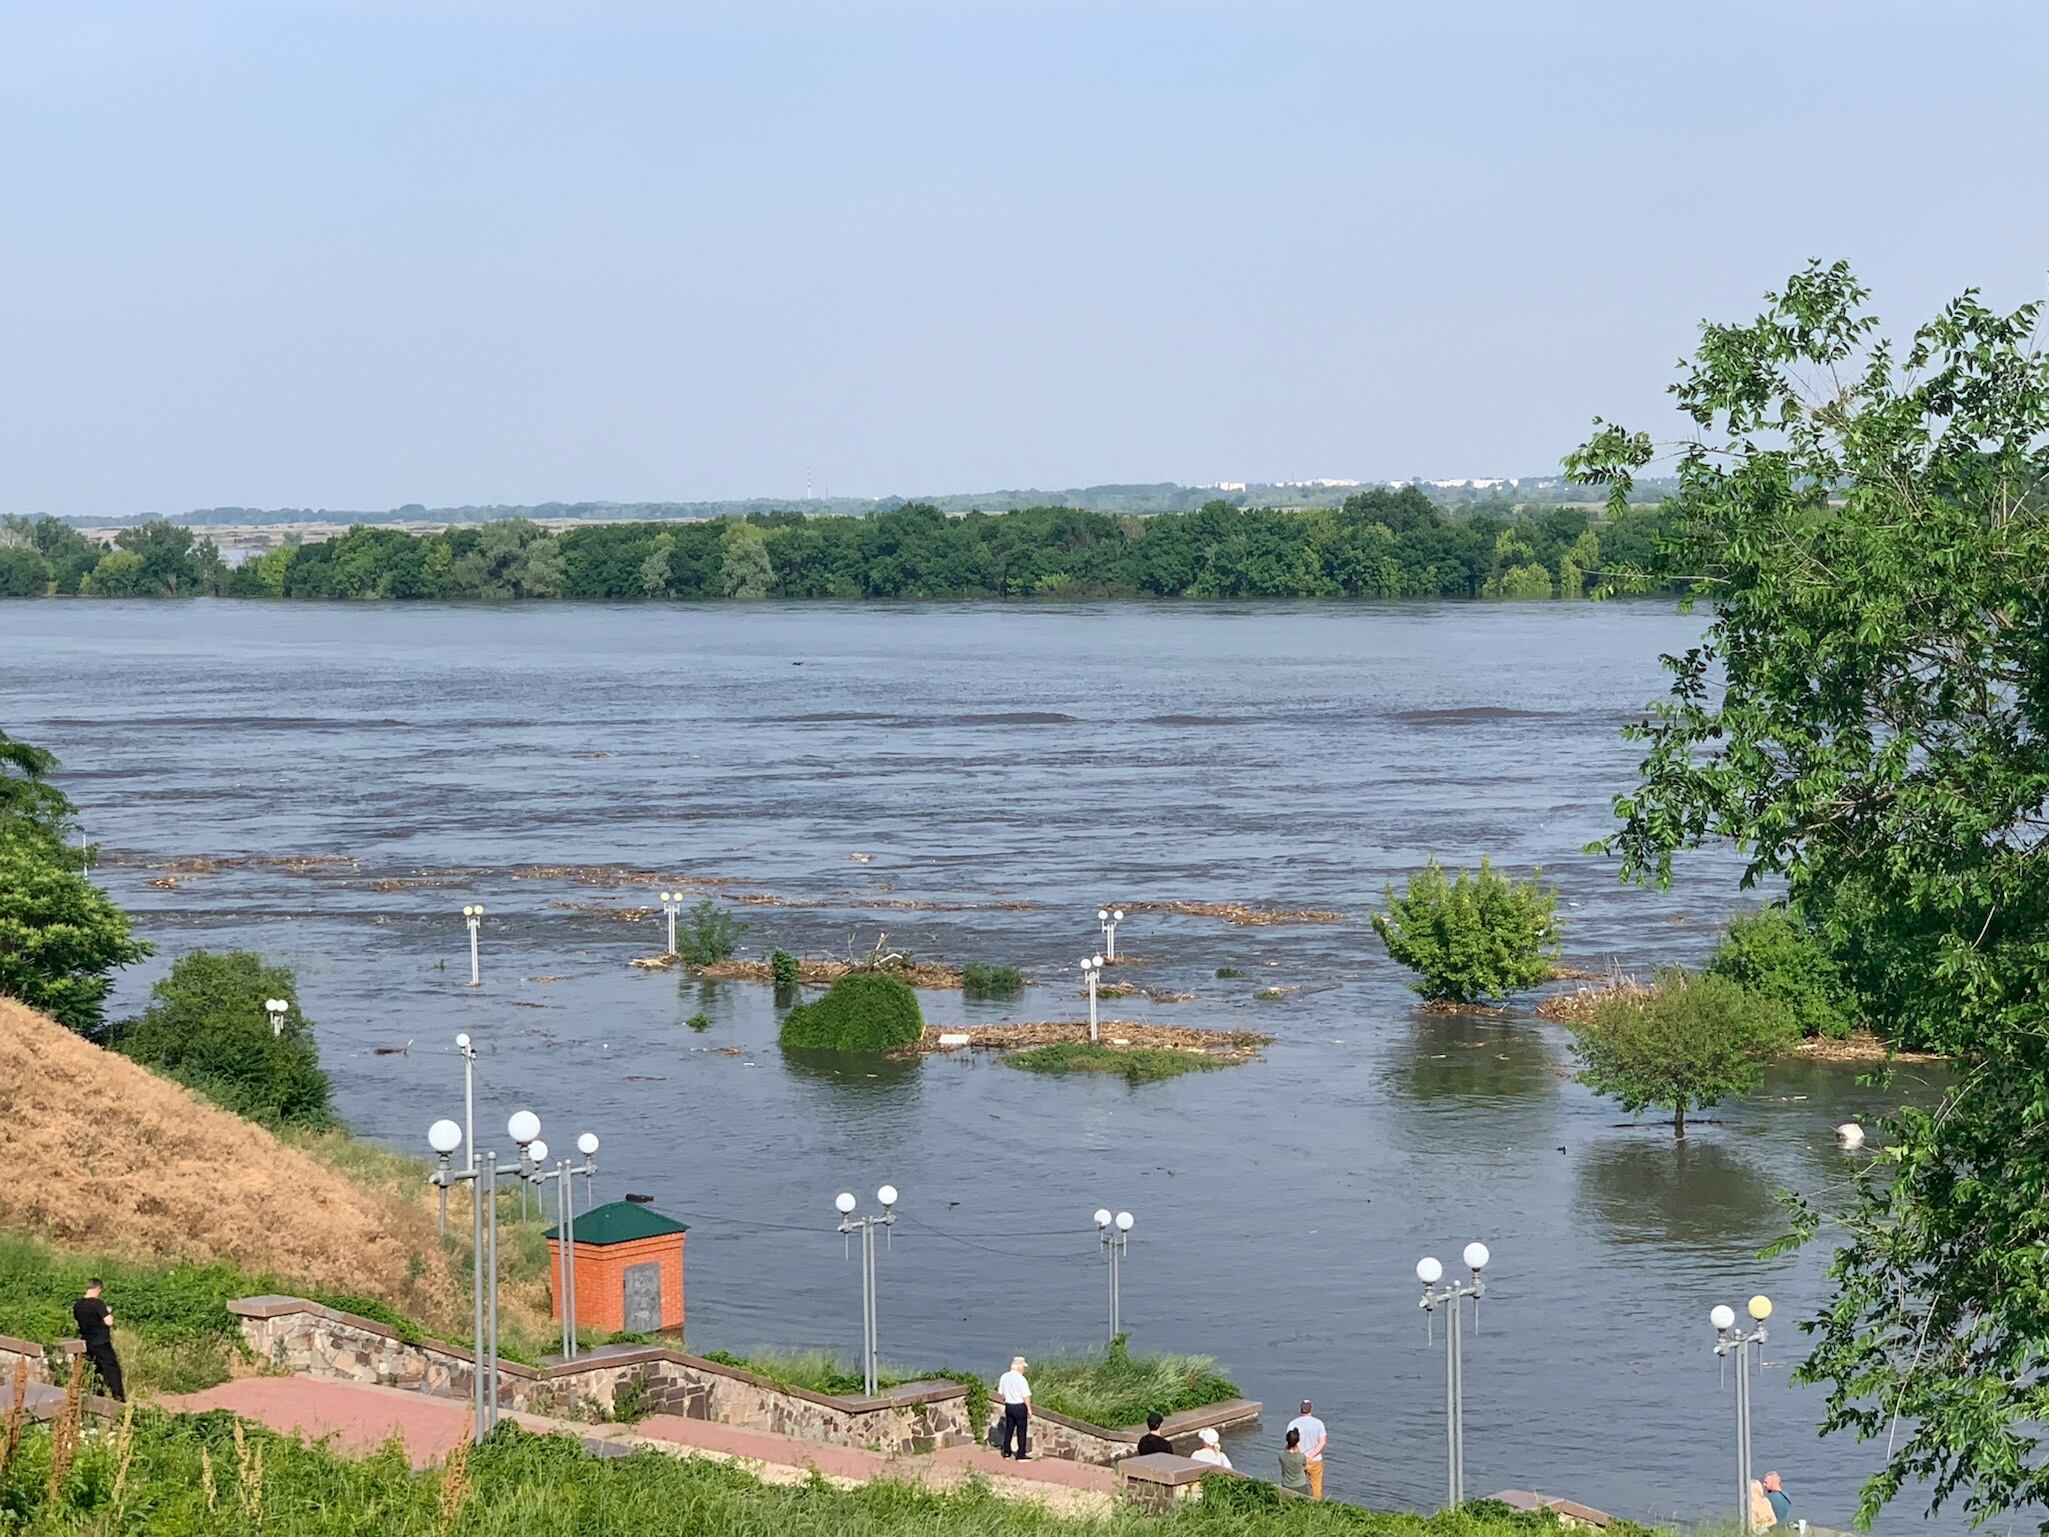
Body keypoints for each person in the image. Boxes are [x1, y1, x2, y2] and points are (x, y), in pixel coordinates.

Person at [72, 1278, 124, 1402]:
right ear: (98, 1289)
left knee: (95, 1369)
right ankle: (119, 1397)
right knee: (112, 1370)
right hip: (101, 1342)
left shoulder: (78, 1305)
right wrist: (108, 1312)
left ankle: (96, 1396)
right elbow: (109, 1322)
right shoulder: (98, 1303)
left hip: (87, 1342)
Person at [1285, 1400, 1327, 1499]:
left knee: (1297, 1483)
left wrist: (1301, 1455)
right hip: (1315, 1460)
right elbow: (1322, 1442)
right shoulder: (1318, 1423)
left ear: (1301, 1409)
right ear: (1311, 1409)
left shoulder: (1293, 1423)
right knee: (1316, 1486)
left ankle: (1298, 1500)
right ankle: (1317, 1506)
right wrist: (1311, 1455)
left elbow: (1290, 1442)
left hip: (1298, 1459)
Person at [997, 1355, 1032, 1460]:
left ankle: (1006, 1452)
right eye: (1023, 1367)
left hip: (1009, 1405)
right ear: (1019, 1367)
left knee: (1009, 1429)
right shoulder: (1021, 1379)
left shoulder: (1004, 1376)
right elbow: (1026, 1395)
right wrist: (1029, 1409)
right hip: (1019, 1406)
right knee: (1021, 1430)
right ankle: (1021, 1454)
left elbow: (1001, 1393)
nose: (1024, 1370)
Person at [1278, 1426, 1311, 1493]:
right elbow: (1305, 1466)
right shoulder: (1301, 1456)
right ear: (1298, 1441)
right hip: (1300, 1486)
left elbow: (1286, 1450)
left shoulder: (1281, 1454)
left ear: (1286, 1440)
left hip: (1286, 1485)